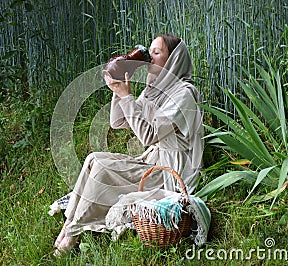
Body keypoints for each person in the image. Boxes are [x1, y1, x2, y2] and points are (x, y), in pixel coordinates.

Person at [53, 34, 204, 254]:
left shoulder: (184, 94)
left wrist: (127, 98)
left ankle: (74, 233)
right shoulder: (154, 88)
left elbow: (148, 136)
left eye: (156, 52)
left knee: (103, 170)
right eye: (149, 51)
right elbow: (118, 121)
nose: (149, 57)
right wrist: (119, 91)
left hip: (171, 171)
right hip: (154, 160)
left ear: (172, 60)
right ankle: (70, 225)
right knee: (93, 159)